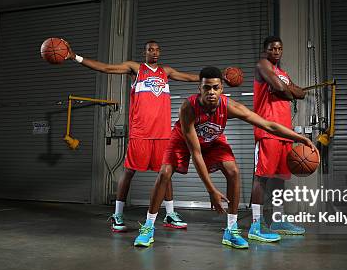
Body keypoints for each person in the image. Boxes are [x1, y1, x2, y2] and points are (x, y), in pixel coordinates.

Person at [133, 66, 313, 249]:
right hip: (183, 138)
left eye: (215, 88)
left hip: (213, 139)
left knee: (233, 170)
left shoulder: (230, 106)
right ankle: (148, 227)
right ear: (200, 89)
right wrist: (211, 190)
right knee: (164, 173)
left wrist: (300, 138)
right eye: (206, 88)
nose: (211, 92)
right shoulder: (189, 107)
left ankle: (232, 229)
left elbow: (269, 125)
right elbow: (196, 153)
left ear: (222, 89)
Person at [65, 40, 199, 232]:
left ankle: (169, 214)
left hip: (162, 133)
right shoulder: (135, 68)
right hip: (141, 132)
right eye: (150, 50)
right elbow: (106, 68)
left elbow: (189, 77)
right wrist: (75, 57)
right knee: (129, 172)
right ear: (144, 52)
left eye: (156, 49)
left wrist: (215, 78)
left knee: (166, 174)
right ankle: (118, 214)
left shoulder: (166, 72)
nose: (154, 52)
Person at [249, 35, 309, 241]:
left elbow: (298, 93)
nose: (276, 51)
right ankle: (256, 225)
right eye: (272, 48)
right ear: (265, 50)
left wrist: (287, 90)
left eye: (279, 48)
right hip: (268, 129)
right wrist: (286, 89)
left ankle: (278, 220)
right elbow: (282, 88)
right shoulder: (262, 65)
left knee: (280, 179)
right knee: (262, 178)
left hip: (284, 131)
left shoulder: (282, 72)